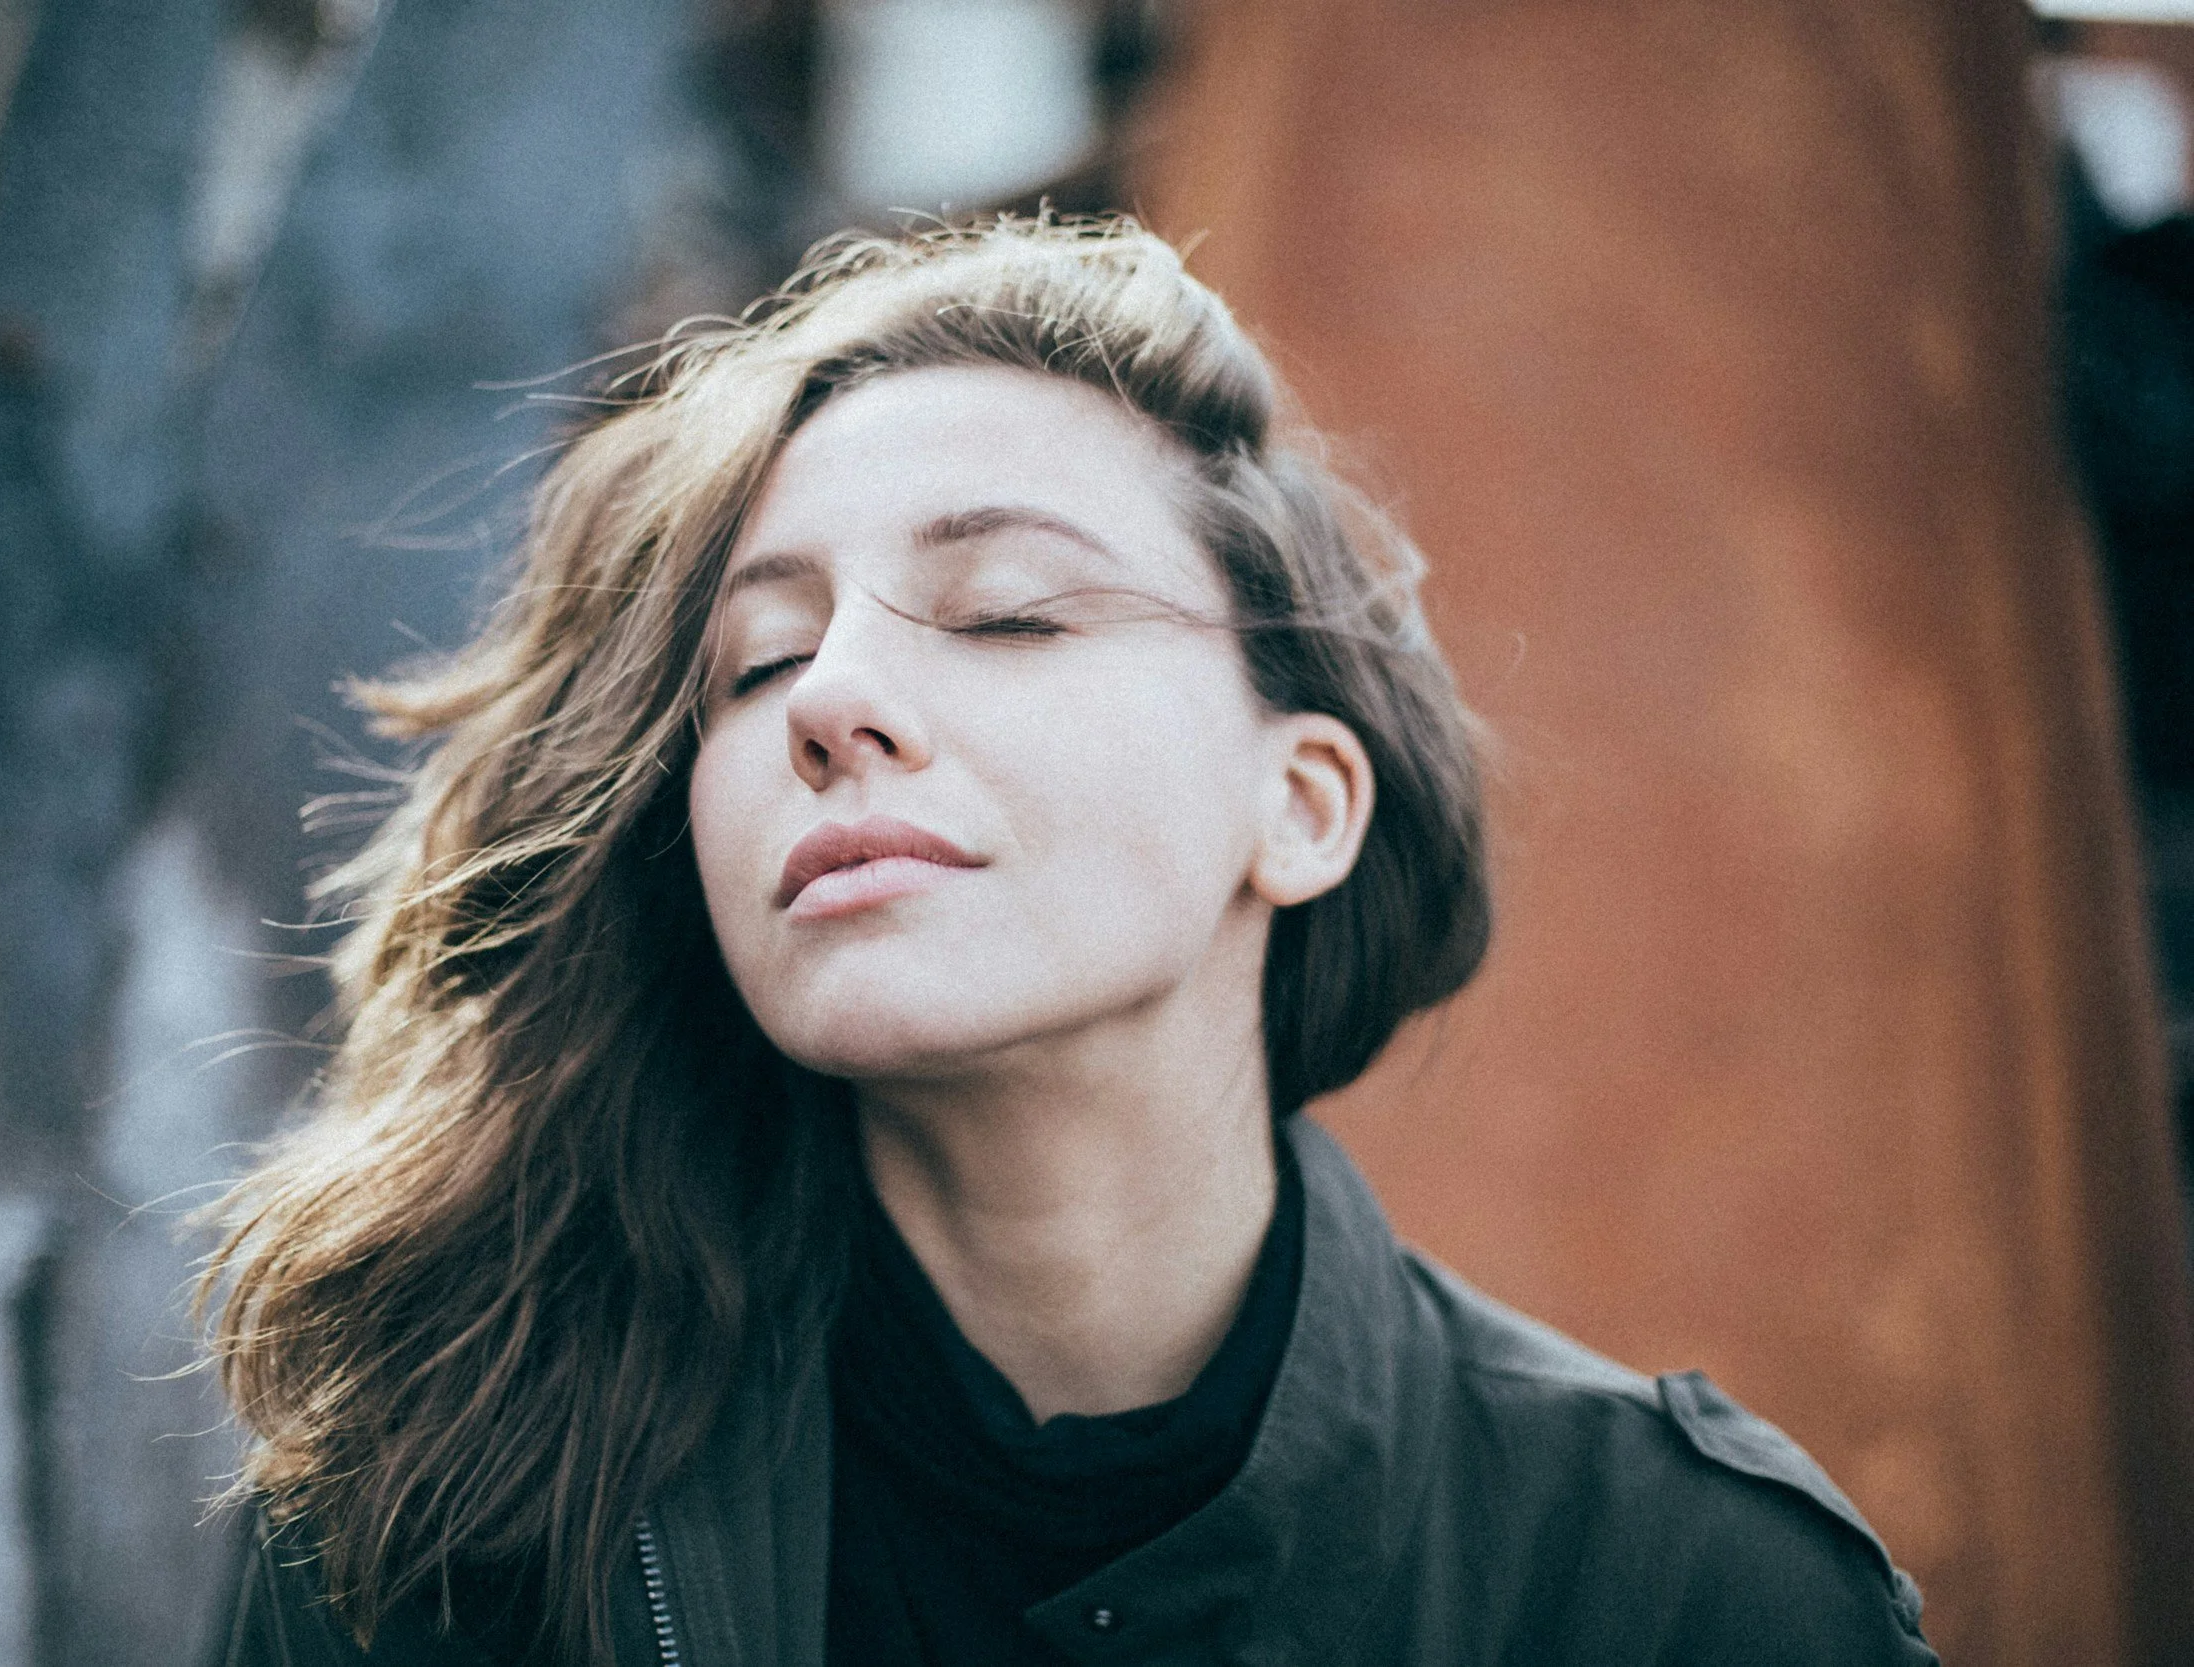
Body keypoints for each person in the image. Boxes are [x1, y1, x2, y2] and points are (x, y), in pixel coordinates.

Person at [206, 217, 1937, 1667]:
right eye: (755, 661)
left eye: (1010, 610)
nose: (839, 700)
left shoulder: (1683, 1597)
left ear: (1304, 802)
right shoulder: (433, 1513)